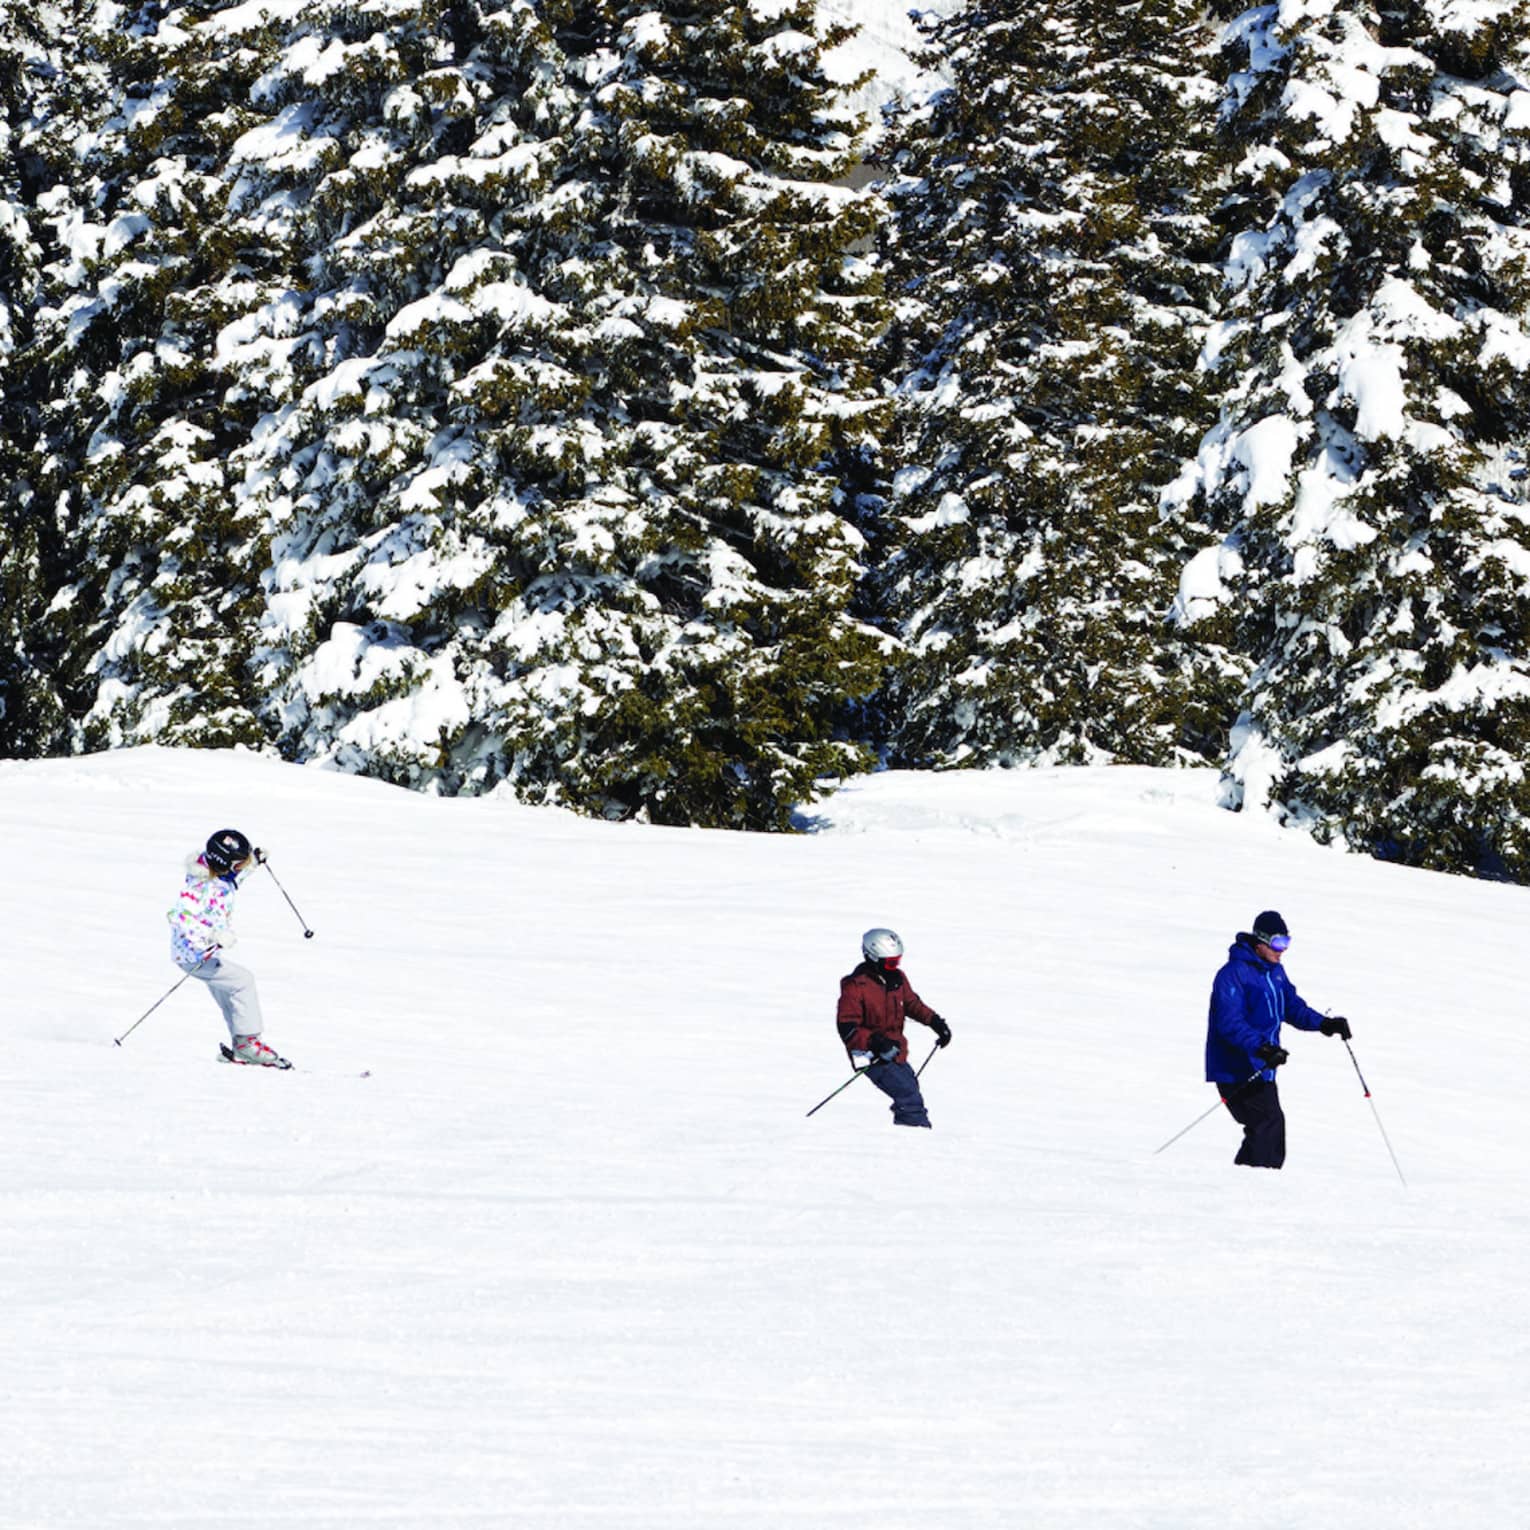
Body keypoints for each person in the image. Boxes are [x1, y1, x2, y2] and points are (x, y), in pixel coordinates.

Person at [1205, 910, 1351, 1168]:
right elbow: (1229, 1023)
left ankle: (1246, 1182)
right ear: (1260, 941)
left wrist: (1325, 1024)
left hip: (1262, 1067)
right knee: (1268, 1125)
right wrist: (1262, 1047)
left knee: (1266, 1127)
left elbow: (1292, 1007)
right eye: (1278, 943)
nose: (1282, 950)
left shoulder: (1275, 973)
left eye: (1287, 943)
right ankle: (1259, 1184)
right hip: (1236, 1068)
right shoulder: (1233, 974)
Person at [167, 828, 286, 1066]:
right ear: (225, 864)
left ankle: (241, 1046)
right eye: (240, 864)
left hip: (204, 953)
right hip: (194, 954)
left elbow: (234, 878)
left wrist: (254, 863)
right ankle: (247, 1043)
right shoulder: (199, 888)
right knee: (243, 982)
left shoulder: (219, 876)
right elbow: (178, 917)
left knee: (230, 993)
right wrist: (213, 934)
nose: (242, 868)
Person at [836, 928, 952, 1128]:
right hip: (869, 1053)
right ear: (873, 958)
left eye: (897, 961)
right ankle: (916, 1133)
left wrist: (935, 1022)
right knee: (907, 1094)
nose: (895, 966)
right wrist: (875, 1041)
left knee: (910, 1086)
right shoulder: (856, 986)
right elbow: (847, 1027)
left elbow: (912, 1004)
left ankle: (904, 1134)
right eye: (890, 962)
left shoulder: (897, 979)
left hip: (896, 1050)